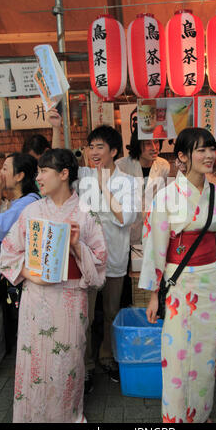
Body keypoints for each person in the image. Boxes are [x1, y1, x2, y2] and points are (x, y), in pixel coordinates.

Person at [138, 127, 216, 423]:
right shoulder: (167, 197)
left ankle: (200, 414)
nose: (209, 155)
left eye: (211, 149)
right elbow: (155, 246)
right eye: (200, 150)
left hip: (210, 280)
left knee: (206, 352)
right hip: (178, 282)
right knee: (176, 354)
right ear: (183, 157)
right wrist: (153, 295)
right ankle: (174, 417)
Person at [0, 148, 107, 423]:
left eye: (44, 171)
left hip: (70, 299)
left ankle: (68, 416)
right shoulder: (31, 210)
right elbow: (9, 252)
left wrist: (76, 246)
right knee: (32, 360)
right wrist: (29, 274)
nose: (38, 177)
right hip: (35, 298)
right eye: (37, 172)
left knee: (66, 363)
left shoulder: (85, 213)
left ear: (64, 174)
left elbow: (100, 268)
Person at [77, 125, 138, 390]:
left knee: (112, 312)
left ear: (114, 151)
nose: (93, 151)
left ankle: (107, 356)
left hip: (114, 258)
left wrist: (105, 188)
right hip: (87, 259)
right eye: (91, 146)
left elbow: (126, 218)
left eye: (100, 146)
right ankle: (87, 365)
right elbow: (55, 160)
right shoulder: (82, 177)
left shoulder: (129, 182)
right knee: (87, 316)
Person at [116, 128, 170, 245]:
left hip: (153, 228)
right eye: (147, 144)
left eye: (156, 142)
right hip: (128, 230)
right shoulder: (121, 166)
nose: (154, 147)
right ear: (137, 144)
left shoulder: (163, 166)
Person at [0, 153, 40, 242]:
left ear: (19, 176)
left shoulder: (26, 203)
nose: (0, 172)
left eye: (4, 169)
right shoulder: (24, 200)